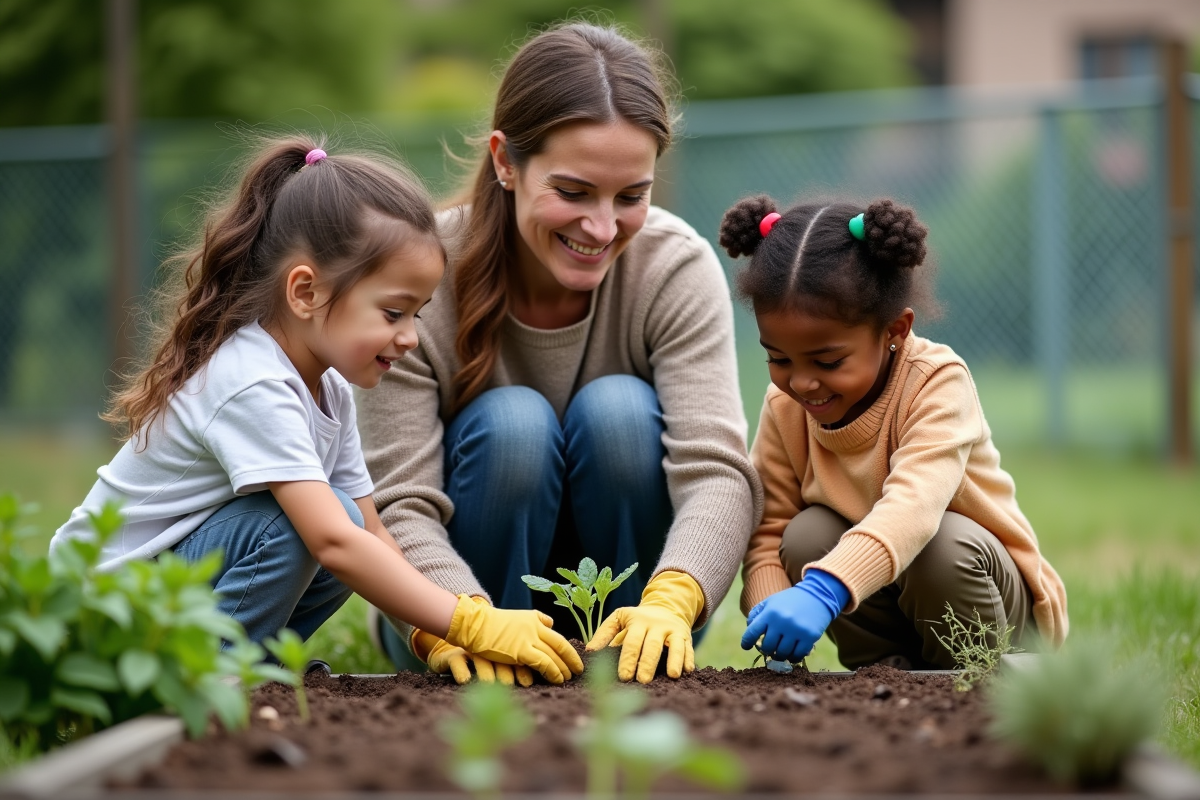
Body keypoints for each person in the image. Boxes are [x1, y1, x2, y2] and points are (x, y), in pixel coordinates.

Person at [50, 136, 584, 686]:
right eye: (393, 312)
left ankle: (248, 667)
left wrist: (436, 632)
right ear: (305, 291)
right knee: (306, 527)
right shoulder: (250, 380)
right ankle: (199, 679)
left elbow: (371, 534)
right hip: (100, 614)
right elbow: (332, 540)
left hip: (166, 593)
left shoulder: (327, 386)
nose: (408, 338)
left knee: (347, 527)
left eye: (417, 315)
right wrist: (472, 621)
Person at [357, 22, 762, 686]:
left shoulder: (673, 267)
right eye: (573, 192)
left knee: (621, 414)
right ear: (504, 161)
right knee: (513, 424)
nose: (602, 229)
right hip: (450, 617)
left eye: (631, 196)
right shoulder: (419, 278)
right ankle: (496, 660)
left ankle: (629, 661)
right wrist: (455, 619)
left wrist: (675, 596)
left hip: (629, 617)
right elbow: (398, 501)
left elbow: (715, 473)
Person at [721, 195, 1068, 669]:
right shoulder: (786, 406)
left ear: (895, 330)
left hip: (987, 600)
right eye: (778, 359)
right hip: (888, 592)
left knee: (940, 544)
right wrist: (769, 602)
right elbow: (770, 529)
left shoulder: (936, 381)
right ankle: (884, 680)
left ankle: (985, 679)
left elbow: (914, 509)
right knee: (808, 535)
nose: (801, 382)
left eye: (828, 361)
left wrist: (823, 590)